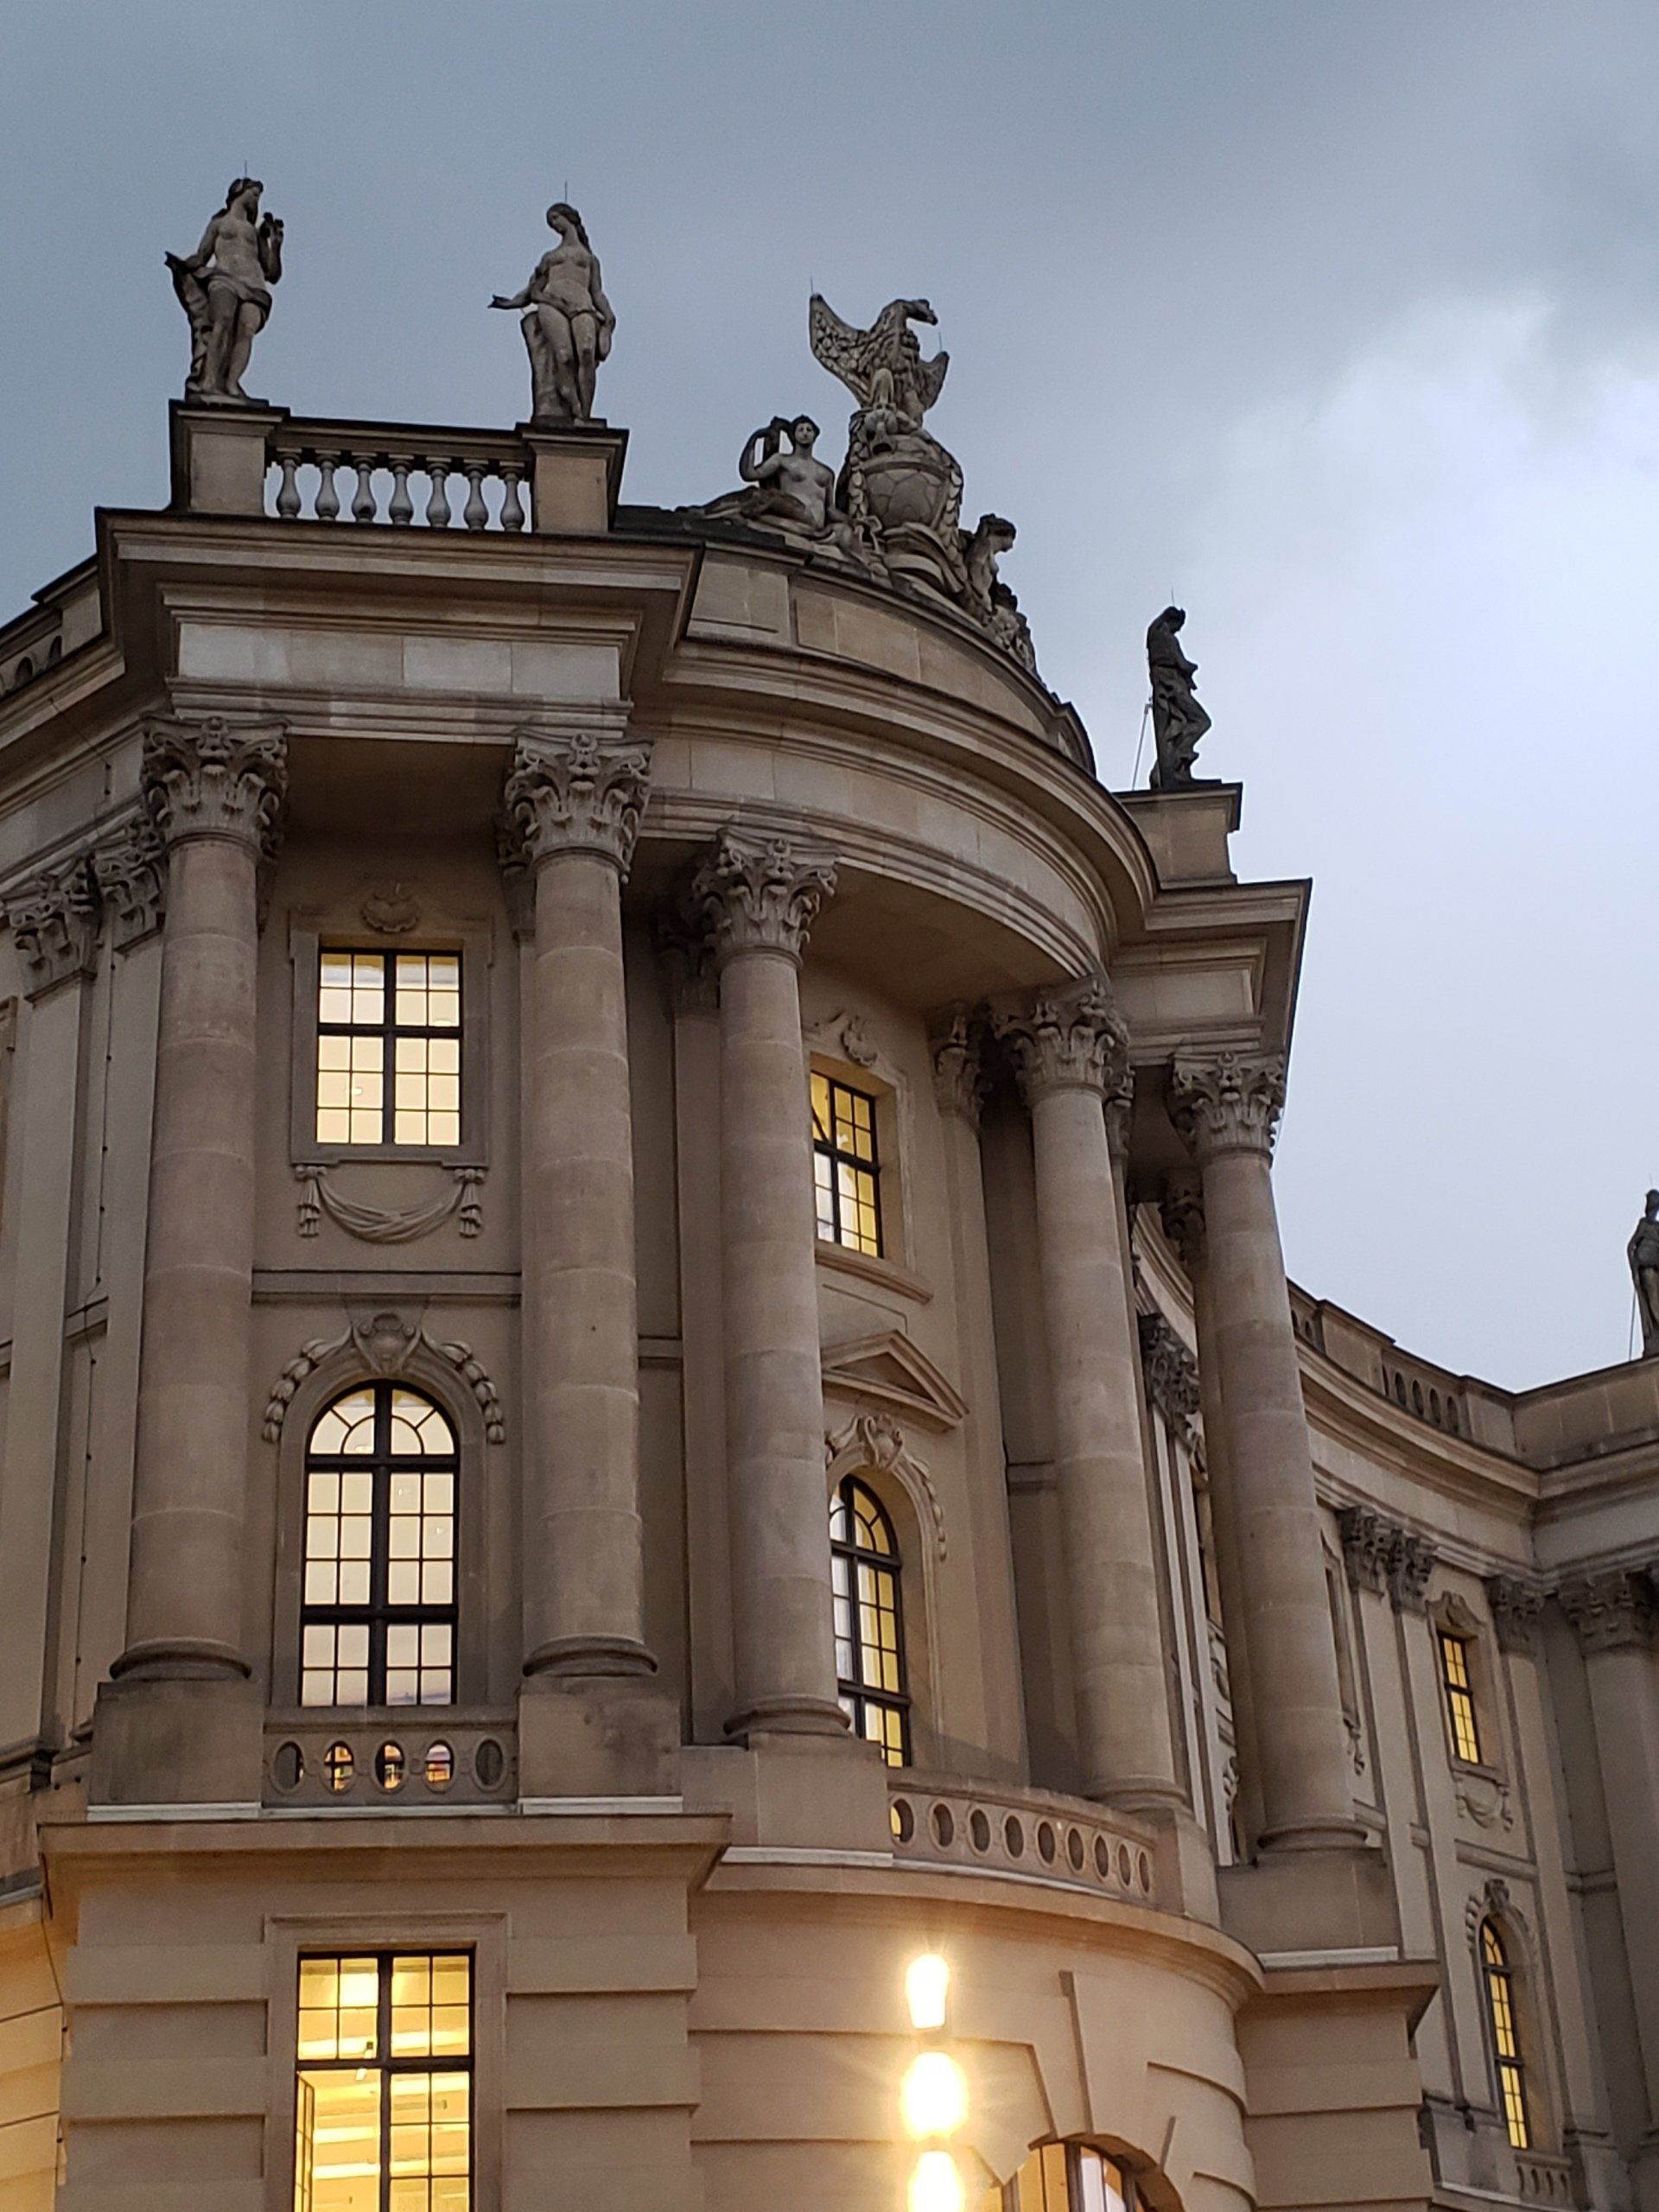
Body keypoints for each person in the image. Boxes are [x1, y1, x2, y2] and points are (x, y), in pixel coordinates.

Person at [491, 204, 614, 423]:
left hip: (582, 305)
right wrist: (511, 303)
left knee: (586, 352)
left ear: (569, 218)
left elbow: (596, 292)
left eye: (556, 218)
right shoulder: (549, 257)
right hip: (551, 303)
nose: (554, 224)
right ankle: (574, 406)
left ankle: (585, 412)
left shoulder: (589, 259)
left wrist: (608, 316)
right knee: (563, 356)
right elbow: (533, 290)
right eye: (551, 221)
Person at [166, 178, 283, 402]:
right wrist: (182, 266)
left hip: (254, 284)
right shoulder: (219, 224)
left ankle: (231, 384)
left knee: (245, 330)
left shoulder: (255, 233)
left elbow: (272, 272)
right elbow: (201, 256)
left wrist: (275, 244)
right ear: (240, 192)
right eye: (254, 194)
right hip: (223, 278)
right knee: (222, 322)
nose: (256, 199)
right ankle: (209, 381)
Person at [1630, 1190, 1659, 1357]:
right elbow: (1631, 1246)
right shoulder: (1644, 1225)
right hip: (1648, 1271)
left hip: (1655, 1268)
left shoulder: (1657, 1227)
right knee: (1654, 1305)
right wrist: (1635, 1269)